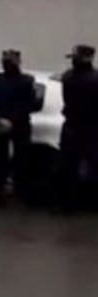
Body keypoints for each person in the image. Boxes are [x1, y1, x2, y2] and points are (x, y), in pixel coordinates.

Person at [0, 49, 37, 207]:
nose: (6, 63)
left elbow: (28, 104)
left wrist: (6, 121)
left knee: (19, 161)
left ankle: (13, 193)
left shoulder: (26, 81)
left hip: (16, 125)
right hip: (6, 125)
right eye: (5, 60)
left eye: (9, 60)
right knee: (4, 162)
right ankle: (0, 195)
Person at [57, 44, 98, 212]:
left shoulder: (68, 77)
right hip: (89, 128)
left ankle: (68, 204)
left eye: (76, 57)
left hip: (75, 127)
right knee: (89, 166)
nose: (73, 60)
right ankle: (88, 203)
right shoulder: (93, 78)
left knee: (69, 167)